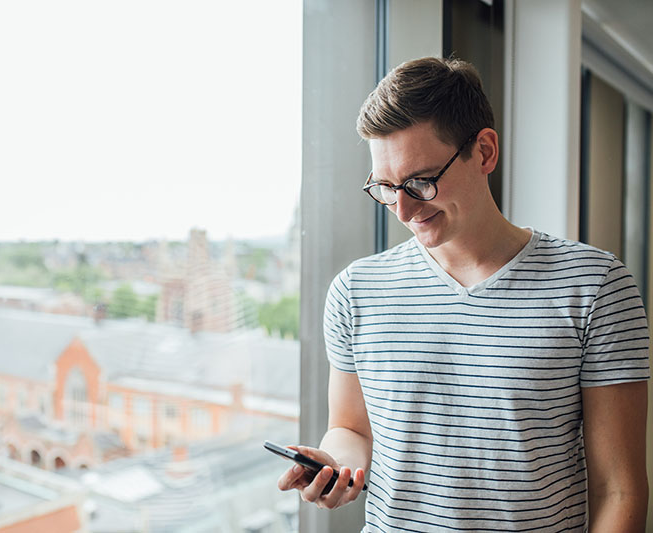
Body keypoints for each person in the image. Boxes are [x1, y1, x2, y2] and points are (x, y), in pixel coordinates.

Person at [277, 56, 649, 531]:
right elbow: (351, 427)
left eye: (420, 182)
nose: (405, 210)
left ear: (484, 152)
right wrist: (337, 467)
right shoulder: (356, 291)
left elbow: (619, 488)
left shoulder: (594, 286)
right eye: (386, 188)